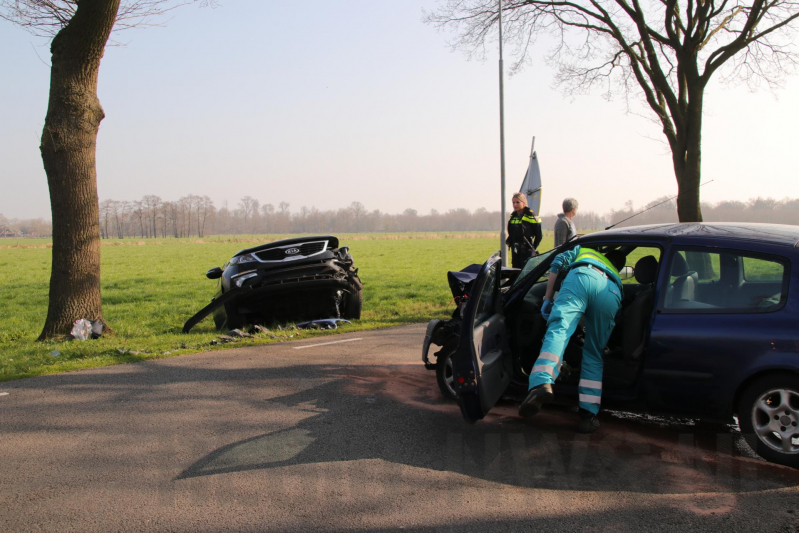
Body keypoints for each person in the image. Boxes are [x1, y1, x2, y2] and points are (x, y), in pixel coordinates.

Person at [518, 245, 626, 433]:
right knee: (594, 353)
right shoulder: (616, 276)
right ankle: (588, 416)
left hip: (583, 276)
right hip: (612, 292)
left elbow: (557, 263)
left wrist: (548, 297)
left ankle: (541, 383)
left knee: (559, 330)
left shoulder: (584, 250)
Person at [506, 192, 542, 269]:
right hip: (515, 251)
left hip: (527, 251)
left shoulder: (531, 215)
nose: (515, 205)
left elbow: (539, 235)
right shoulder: (513, 216)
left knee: (526, 273)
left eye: (517, 202)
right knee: (515, 273)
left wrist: (532, 249)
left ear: (524, 203)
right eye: (513, 202)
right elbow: (511, 233)